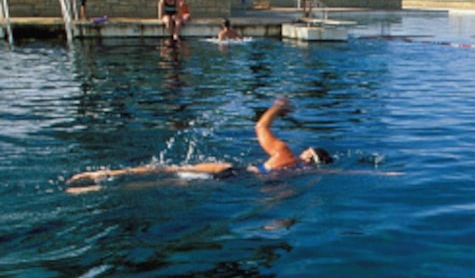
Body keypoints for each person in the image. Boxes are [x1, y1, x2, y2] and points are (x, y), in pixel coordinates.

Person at [67, 96, 332, 187]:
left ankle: (104, 174)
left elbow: (260, 126)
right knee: (169, 182)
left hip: (231, 171)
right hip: (237, 185)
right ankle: (106, 186)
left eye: (306, 149)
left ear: (308, 155)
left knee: (165, 170)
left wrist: (277, 107)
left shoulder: (285, 153)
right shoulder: (298, 176)